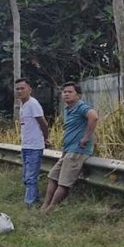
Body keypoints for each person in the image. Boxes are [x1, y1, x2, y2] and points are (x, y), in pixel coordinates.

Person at [42, 82, 99, 213]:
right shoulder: (68, 109)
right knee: (53, 176)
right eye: (64, 92)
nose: (66, 94)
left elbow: (94, 117)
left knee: (64, 182)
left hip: (78, 151)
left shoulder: (81, 107)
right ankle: (45, 206)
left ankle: (51, 209)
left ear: (78, 95)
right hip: (68, 150)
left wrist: (86, 138)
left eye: (70, 92)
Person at [15, 78, 50, 208]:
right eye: (17, 89)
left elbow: (43, 123)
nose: (19, 91)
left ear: (29, 89)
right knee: (26, 177)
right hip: (26, 145)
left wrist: (45, 138)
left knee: (30, 177)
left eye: (22, 88)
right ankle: (34, 200)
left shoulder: (33, 104)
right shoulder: (23, 105)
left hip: (35, 146)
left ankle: (29, 204)